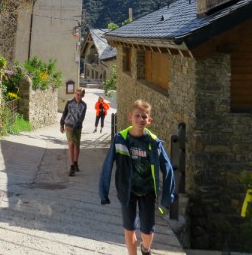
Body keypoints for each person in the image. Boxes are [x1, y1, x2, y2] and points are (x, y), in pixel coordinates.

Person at [99, 100, 175, 255]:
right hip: (127, 191)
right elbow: (107, 165)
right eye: (137, 116)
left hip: (147, 190)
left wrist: (167, 197)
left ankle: (145, 248)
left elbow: (167, 169)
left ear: (149, 120)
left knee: (147, 231)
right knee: (129, 228)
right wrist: (103, 192)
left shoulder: (154, 143)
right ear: (130, 117)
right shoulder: (120, 139)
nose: (140, 119)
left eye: (144, 117)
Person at [60, 87, 88, 176]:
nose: (78, 96)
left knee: (77, 145)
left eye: (80, 95)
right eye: (76, 94)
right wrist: (61, 125)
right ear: (74, 93)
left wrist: (75, 126)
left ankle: (76, 162)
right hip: (68, 125)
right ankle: (72, 166)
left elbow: (81, 118)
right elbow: (64, 113)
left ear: (82, 96)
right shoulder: (69, 102)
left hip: (77, 127)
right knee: (71, 144)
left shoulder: (84, 105)